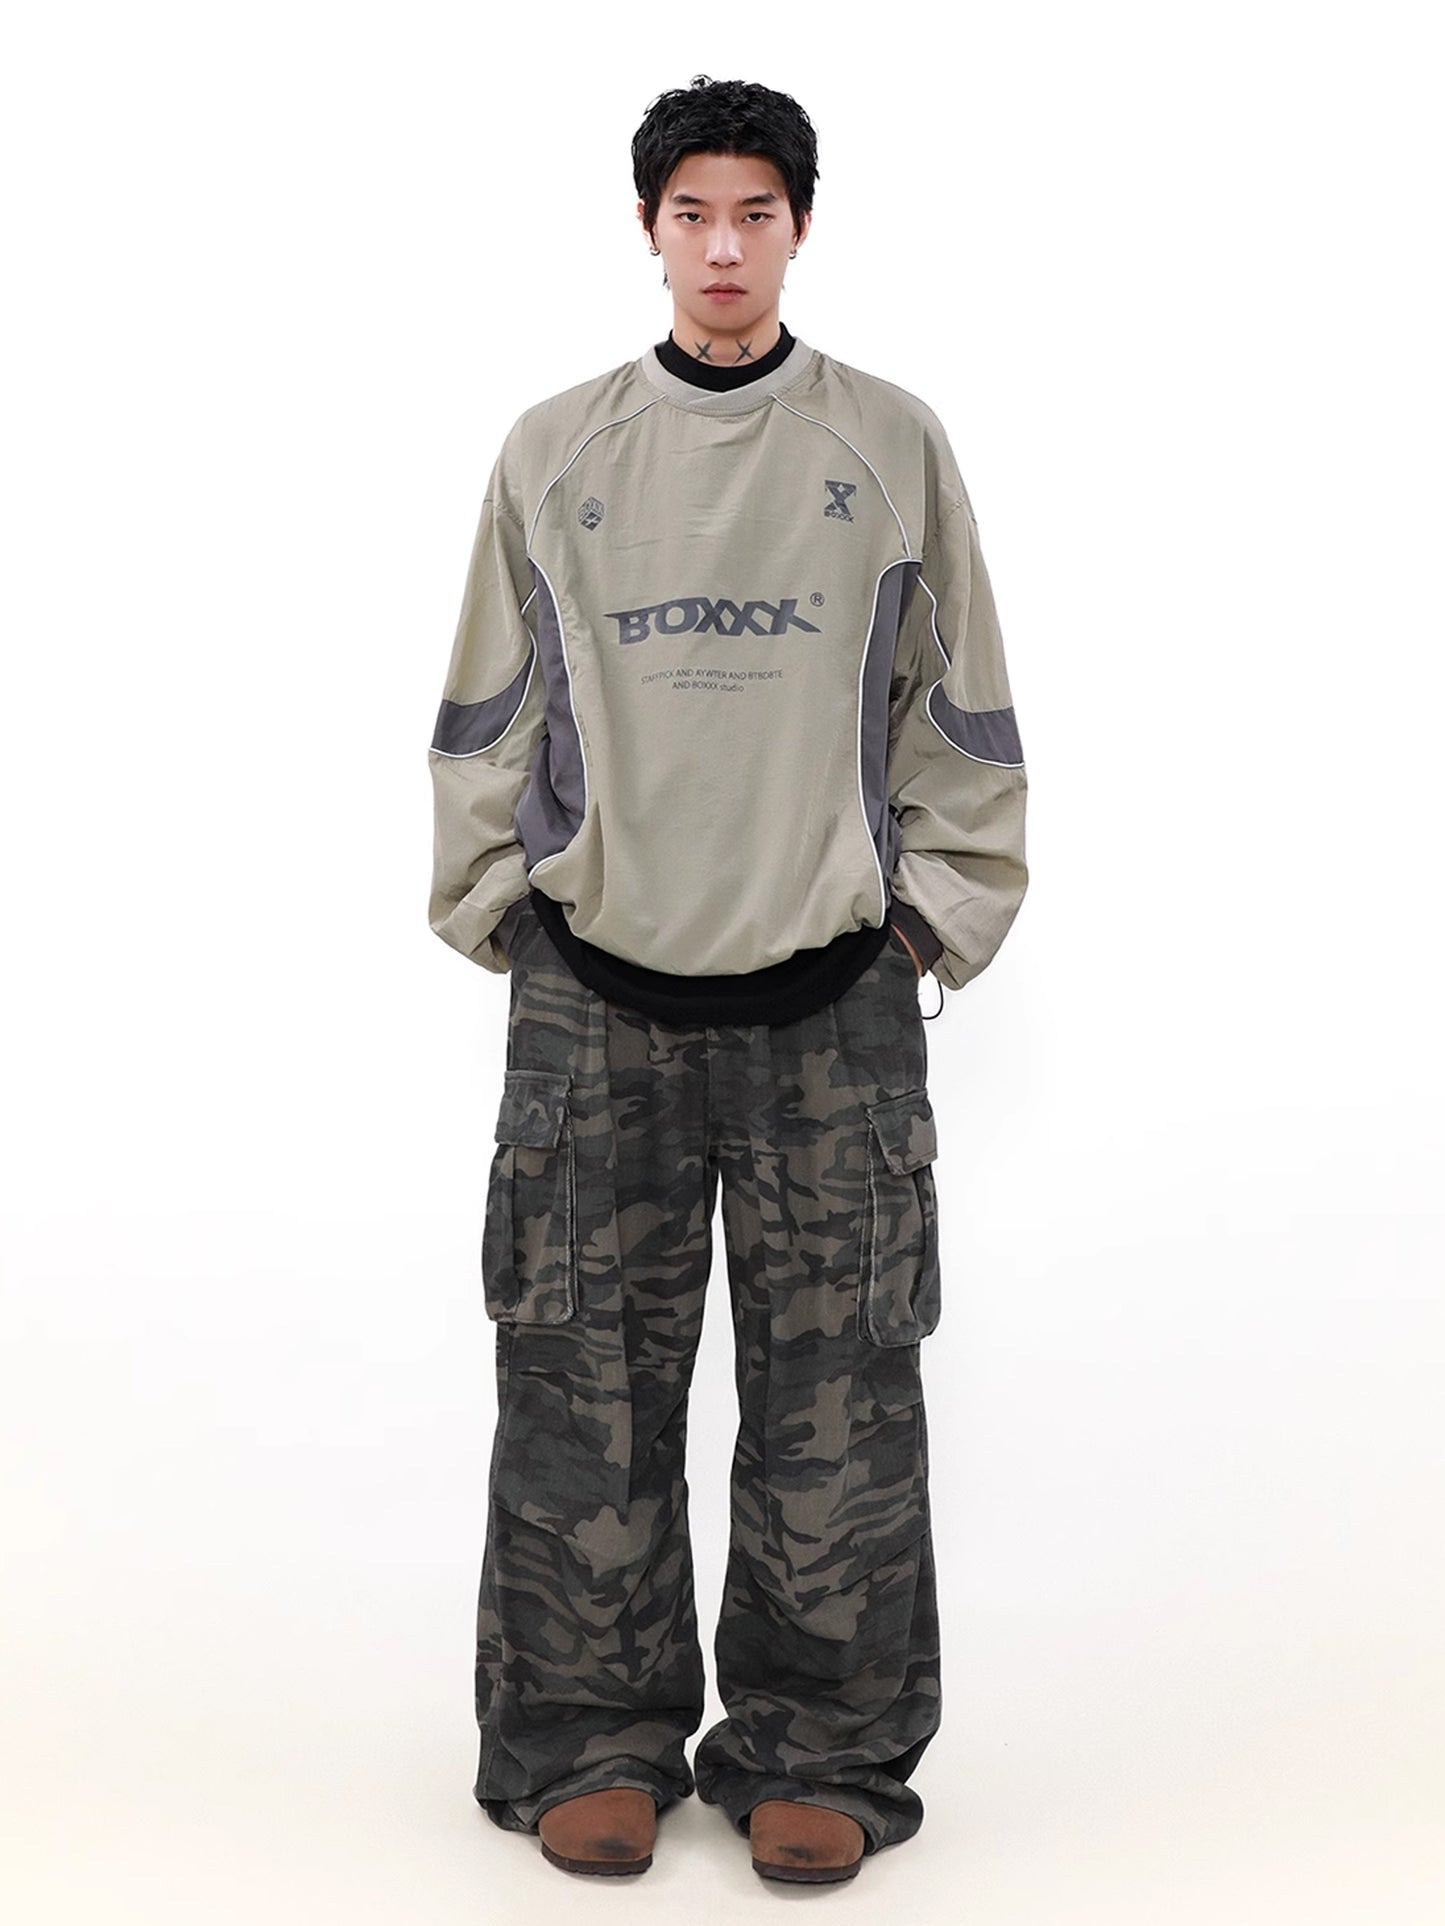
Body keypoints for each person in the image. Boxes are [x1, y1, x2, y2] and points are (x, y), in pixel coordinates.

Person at [426, 73, 1028, 1884]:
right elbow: (485, 707)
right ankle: (585, 1739)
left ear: (798, 228)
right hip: (595, 992)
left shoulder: (888, 443)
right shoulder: (557, 449)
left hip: (827, 1000)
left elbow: (959, 707)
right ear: (648, 230)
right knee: (577, 1385)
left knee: (839, 1393)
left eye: (754, 213)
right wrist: (510, 912)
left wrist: (921, 923)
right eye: (690, 213)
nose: (721, 247)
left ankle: (816, 1746)